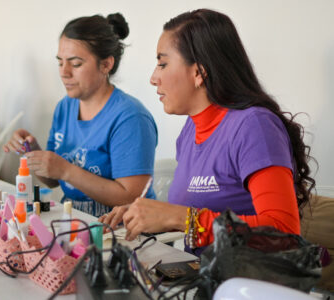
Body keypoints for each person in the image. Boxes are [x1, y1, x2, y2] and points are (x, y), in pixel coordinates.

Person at [100, 9, 316, 256]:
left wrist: (180, 218)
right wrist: (147, 215)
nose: (153, 78)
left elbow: (284, 233)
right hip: (201, 278)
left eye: (162, 63)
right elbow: (195, 216)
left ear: (198, 73)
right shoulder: (191, 128)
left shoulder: (255, 127)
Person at [4, 13, 158, 217]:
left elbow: (131, 197)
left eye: (75, 64)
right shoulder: (65, 108)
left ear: (106, 64)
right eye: (60, 62)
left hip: (121, 229)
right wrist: (32, 152)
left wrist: (66, 170)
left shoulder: (130, 118)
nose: (64, 72)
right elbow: (54, 179)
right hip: (74, 220)